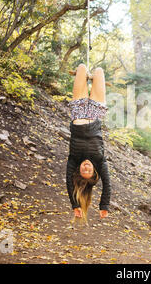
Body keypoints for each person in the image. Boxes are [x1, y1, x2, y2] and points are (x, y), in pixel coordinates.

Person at [66, 63, 110, 224]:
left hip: (78, 112)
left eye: (83, 169)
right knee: (99, 71)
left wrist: (75, 205)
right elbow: (107, 185)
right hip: (96, 113)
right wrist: (104, 205)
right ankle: (92, 77)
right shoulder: (100, 162)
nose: (85, 166)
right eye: (88, 170)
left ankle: (84, 75)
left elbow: (69, 183)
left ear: (78, 169)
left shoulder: (73, 160)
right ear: (94, 172)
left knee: (82, 67)